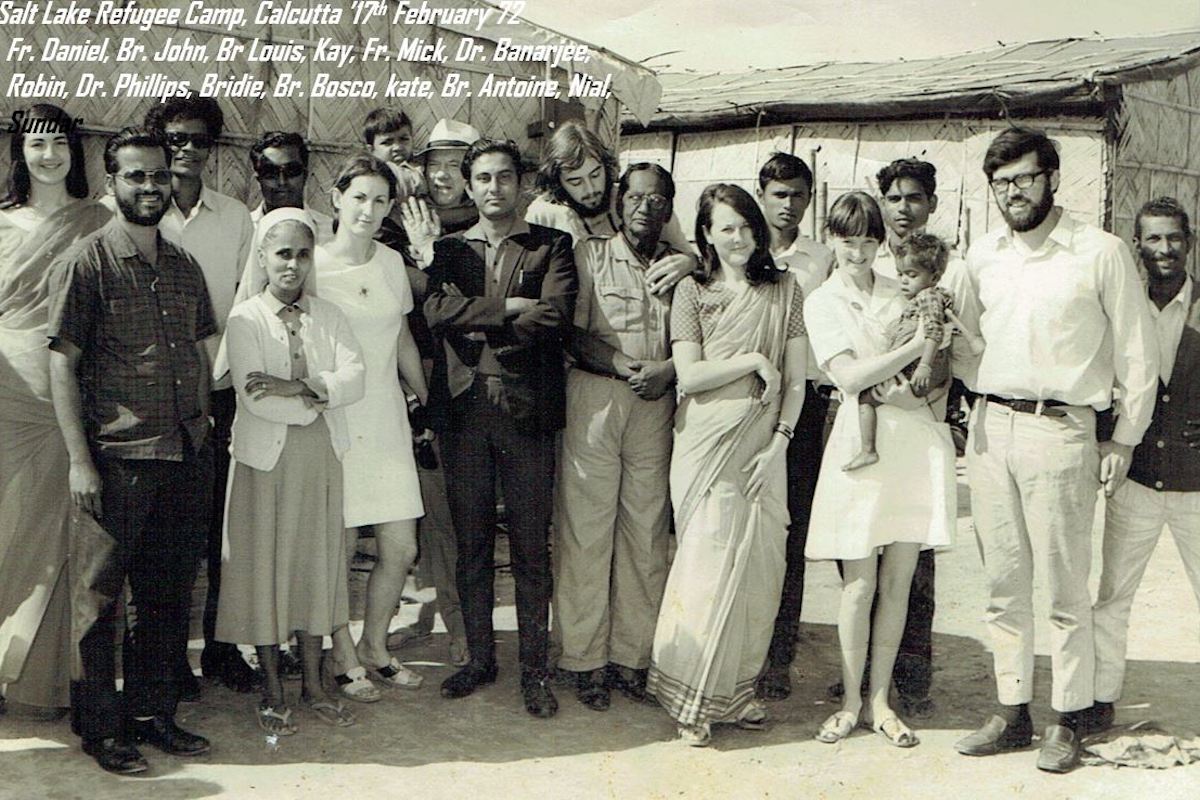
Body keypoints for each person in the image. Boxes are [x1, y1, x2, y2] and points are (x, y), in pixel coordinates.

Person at [951, 127, 1158, 774]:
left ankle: (1067, 717)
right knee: (1003, 584)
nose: (1014, 192)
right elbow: (962, 339)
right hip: (992, 430)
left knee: (1064, 588)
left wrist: (1123, 438)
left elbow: (1136, 352)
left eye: (1026, 178)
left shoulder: (1099, 253)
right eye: (1003, 183)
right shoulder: (982, 256)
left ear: (1052, 179)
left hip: (1061, 430)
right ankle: (1012, 711)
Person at [47, 127, 215, 774]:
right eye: (135, 176)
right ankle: (100, 728)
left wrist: (200, 430)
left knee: (167, 596)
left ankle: (152, 714)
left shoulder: (183, 265)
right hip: (116, 459)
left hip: (181, 455)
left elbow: (201, 351)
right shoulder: (86, 263)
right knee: (100, 601)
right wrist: (79, 460)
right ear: (111, 183)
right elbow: (62, 364)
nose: (150, 187)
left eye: (159, 176)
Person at [647, 183, 808, 747]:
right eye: (726, 229)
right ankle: (691, 699)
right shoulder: (692, 292)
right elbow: (689, 376)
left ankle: (735, 691)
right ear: (707, 237)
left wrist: (781, 442)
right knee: (709, 568)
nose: (739, 238)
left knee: (760, 572)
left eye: (746, 226)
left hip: (766, 450)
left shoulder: (786, 289)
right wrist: (752, 359)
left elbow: (797, 380)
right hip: (707, 448)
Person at [424, 138, 576, 718]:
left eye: (505, 177)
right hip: (464, 412)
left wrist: (482, 316)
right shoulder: (448, 249)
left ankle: (534, 671)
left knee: (532, 547)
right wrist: (510, 306)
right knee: (472, 543)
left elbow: (554, 316)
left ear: (522, 184)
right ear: (469, 184)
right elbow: (436, 313)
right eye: (483, 177)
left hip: (526, 410)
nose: (494, 188)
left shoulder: (551, 245)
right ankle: (481, 658)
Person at [803, 192, 956, 750]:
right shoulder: (821, 301)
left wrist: (923, 395)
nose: (860, 251)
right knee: (859, 583)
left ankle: (881, 701)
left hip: (913, 443)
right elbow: (847, 378)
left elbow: (939, 367)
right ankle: (848, 702)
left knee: (898, 584)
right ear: (832, 238)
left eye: (870, 240)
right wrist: (914, 347)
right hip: (858, 448)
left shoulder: (906, 291)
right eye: (848, 240)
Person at [217, 208, 365, 734]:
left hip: (320, 459)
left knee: (314, 566)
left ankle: (315, 685)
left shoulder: (330, 316)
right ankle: (273, 687)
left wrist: (298, 386)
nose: (293, 265)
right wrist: (318, 396)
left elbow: (356, 377)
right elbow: (256, 400)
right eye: (282, 253)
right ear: (262, 257)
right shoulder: (245, 320)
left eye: (303, 254)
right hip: (266, 462)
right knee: (265, 571)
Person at [141, 95, 257, 695]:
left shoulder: (236, 217)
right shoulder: (137, 211)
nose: (188, 149)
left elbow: (241, 307)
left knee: (222, 529)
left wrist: (219, 382)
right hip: (153, 397)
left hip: (219, 390)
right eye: (177, 138)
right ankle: (165, 661)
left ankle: (219, 648)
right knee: (167, 535)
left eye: (199, 140)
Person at [554, 163, 679, 711]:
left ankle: (632, 658)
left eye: (656, 200)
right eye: (634, 198)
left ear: (668, 208)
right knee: (586, 532)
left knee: (646, 533)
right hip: (597, 399)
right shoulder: (590, 255)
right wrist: (624, 361)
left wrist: (668, 370)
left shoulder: (684, 271)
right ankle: (583, 661)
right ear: (618, 203)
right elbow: (571, 332)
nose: (644, 209)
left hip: (657, 404)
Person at [0, 104, 110, 720]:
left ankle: (40, 678)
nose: (48, 155)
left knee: (60, 535)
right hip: (6, 388)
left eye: (59, 143)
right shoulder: (0, 223)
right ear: (19, 152)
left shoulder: (98, 221)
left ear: (75, 150)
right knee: (4, 528)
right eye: (36, 144)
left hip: (70, 386)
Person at [315, 154, 429, 701]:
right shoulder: (310, 263)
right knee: (335, 549)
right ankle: (341, 655)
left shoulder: (389, 263)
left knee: (400, 548)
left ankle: (375, 647)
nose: (368, 209)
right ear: (336, 197)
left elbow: (401, 335)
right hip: (335, 421)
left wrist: (424, 397)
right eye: (358, 196)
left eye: (380, 200)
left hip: (386, 420)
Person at [1090, 197, 1198, 734]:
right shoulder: (1118, 306)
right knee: (1111, 597)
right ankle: (1100, 698)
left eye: (1174, 238)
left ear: (1190, 243)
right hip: (1133, 480)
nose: (1164, 249)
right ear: (1137, 247)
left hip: (1198, 486)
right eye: (1152, 239)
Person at [382, 118, 482, 668]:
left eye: (454, 163)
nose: (443, 175)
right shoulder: (398, 227)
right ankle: (423, 613)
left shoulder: (485, 226)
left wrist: (429, 261)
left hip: (464, 387)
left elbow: (460, 304)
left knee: (454, 516)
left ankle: (463, 629)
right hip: (410, 386)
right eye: (434, 163)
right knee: (413, 513)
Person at [753, 152, 836, 700]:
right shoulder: (736, 246)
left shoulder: (822, 259)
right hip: (745, 402)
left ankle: (778, 658)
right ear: (761, 194)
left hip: (801, 406)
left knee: (792, 531)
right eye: (779, 194)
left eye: (798, 195)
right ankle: (740, 648)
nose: (789, 206)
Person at [845, 233, 978, 471]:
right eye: (901, 274)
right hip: (925, 368)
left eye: (912, 275)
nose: (904, 281)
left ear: (934, 277)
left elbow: (933, 331)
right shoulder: (929, 297)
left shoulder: (928, 297)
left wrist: (925, 365)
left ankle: (868, 450)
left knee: (865, 397)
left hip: (920, 367)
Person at [526, 121, 694, 293]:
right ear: (557, 182)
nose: (590, 189)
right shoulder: (542, 214)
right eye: (575, 181)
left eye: (596, 174)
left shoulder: (631, 201)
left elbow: (688, 254)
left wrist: (689, 262)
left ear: (607, 167)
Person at [248, 131, 334, 241]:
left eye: (292, 170)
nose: (282, 181)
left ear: (305, 176)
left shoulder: (330, 233)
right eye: (270, 172)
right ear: (258, 179)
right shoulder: (243, 230)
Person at [364, 107, 425, 202]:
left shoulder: (425, 169)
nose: (398, 147)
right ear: (371, 150)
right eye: (387, 142)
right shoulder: (365, 178)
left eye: (403, 139)